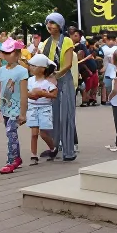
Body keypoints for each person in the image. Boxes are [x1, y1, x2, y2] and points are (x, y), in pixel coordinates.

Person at [41, 13, 78, 162]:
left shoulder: (67, 41)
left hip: (64, 80)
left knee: (66, 116)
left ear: (60, 25)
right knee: (52, 115)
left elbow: (68, 64)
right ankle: (54, 146)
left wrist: (56, 75)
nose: (49, 26)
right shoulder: (46, 43)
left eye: (53, 23)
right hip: (51, 80)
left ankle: (69, 150)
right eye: (48, 23)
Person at [0, 39, 28, 173]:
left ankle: (12, 160)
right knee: (10, 133)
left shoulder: (22, 71)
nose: (7, 55)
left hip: (17, 109)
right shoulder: (0, 71)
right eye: (5, 52)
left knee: (11, 132)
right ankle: (17, 157)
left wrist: (23, 113)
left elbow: (24, 94)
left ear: (18, 54)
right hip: (5, 108)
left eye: (10, 52)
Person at [26, 54, 59, 165]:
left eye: (34, 66)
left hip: (45, 108)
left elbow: (54, 95)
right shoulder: (29, 81)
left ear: (42, 69)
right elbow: (25, 92)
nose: (31, 68)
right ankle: (33, 155)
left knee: (44, 133)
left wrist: (43, 93)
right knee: (34, 133)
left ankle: (53, 148)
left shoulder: (48, 83)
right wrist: (31, 95)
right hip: (32, 108)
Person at [100, 33, 117, 105]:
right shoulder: (102, 48)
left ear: (115, 41)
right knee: (105, 85)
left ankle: (112, 99)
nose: (111, 41)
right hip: (104, 69)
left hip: (115, 70)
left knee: (113, 84)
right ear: (106, 40)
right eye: (109, 40)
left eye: (113, 40)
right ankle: (104, 99)